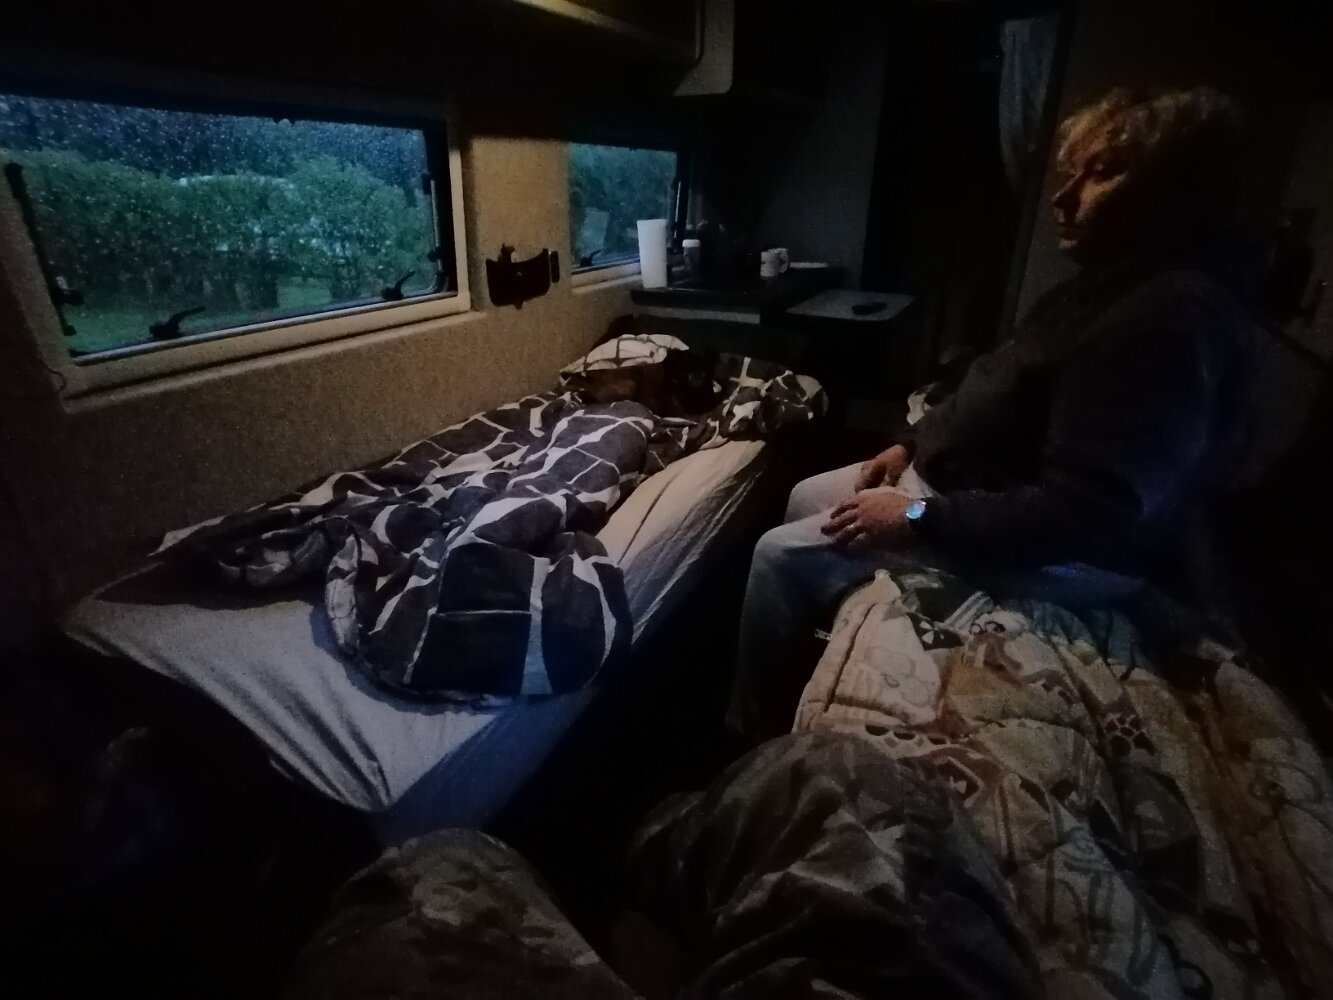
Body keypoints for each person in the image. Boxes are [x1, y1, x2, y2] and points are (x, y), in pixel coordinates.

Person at [730, 86, 1258, 736]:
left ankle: (749, 729)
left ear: (1172, 193)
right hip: (966, 489)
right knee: (807, 493)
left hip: (1069, 555)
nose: (1063, 198)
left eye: (1101, 174)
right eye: (1070, 174)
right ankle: (813, 639)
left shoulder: (1166, 320)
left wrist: (915, 516)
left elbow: (1086, 514)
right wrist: (907, 444)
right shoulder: (1101, 287)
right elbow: (989, 385)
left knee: (778, 555)